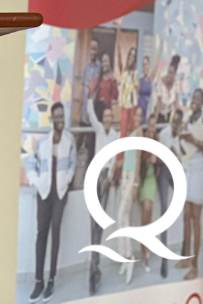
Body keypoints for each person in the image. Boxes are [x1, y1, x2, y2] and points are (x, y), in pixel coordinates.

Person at [26, 102, 75, 302]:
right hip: (44, 193)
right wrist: (37, 182)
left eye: (62, 116)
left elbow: (72, 164)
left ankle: (51, 280)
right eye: (57, 116)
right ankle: (38, 281)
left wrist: (67, 179)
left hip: (59, 194)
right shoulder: (43, 142)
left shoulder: (69, 140)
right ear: (52, 119)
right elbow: (30, 163)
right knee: (41, 234)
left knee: (55, 233)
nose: (60, 119)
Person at [176, 88, 203, 280]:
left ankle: (195, 267)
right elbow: (185, 148)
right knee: (186, 216)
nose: (195, 101)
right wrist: (182, 137)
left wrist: (193, 140)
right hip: (188, 168)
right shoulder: (189, 119)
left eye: (198, 98)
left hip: (199, 171)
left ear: (202, 101)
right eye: (193, 98)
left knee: (196, 219)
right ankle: (186, 258)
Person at [86, 100, 117, 295]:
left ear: (111, 119)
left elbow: (113, 161)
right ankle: (94, 266)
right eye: (104, 116)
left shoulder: (114, 135)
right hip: (95, 175)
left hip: (105, 177)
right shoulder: (98, 130)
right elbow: (90, 113)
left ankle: (94, 266)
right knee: (93, 223)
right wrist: (90, 95)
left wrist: (109, 179)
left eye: (109, 116)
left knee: (100, 223)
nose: (106, 119)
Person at [115, 108, 144, 285]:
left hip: (132, 177)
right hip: (124, 176)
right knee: (123, 219)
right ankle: (125, 258)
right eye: (136, 115)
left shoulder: (139, 133)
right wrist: (116, 165)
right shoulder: (130, 133)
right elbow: (128, 158)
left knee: (121, 216)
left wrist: (135, 184)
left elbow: (138, 160)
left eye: (140, 115)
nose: (138, 118)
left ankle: (129, 256)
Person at [155, 108, 185, 278]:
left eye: (177, 123)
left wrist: (177, 156)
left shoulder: (181, 136)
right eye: (174, 121)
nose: (175, 125)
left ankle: (184, 247)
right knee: (164, 210)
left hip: (175, 172)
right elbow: (158, 158)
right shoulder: (164, 134)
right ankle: (164, 260)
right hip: (164, 173)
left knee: (186, 201)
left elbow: (182, 160)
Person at [138, 124, 160, 272]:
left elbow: (160, 161)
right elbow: (138, 164)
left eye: (153, 132)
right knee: (145, 216)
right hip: (143, 181)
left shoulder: (157, 147)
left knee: (148, 215)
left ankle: (145, 249)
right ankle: (144, 252)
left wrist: (156, 159)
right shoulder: (142, 147)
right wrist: (147, 160)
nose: (151, 134)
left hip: (151, 181)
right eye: (149, 132)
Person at [79, 39, 102, 160]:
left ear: (97, 51)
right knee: (79, 141)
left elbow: (97, 90)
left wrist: (90, 109)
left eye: (95, 49)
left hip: (93, 111)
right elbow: (83, 88)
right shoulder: (86, 67)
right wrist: (81, 108)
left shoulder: (100, 68)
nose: (92, 52)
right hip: (84, 111)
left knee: (90, 144)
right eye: (91, 49)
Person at [150, 54, 181, 126]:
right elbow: (159, 103)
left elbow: (176, 103)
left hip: (168, 114)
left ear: (175, 74)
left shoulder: (176, 84)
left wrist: (181, 116)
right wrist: (155, 119)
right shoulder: (161, 83)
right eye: (168, 72)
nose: (169, 75)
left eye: (171, 73)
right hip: (159, 113)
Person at [118, 46, 139, 139]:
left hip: (132, 105)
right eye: (130, 55)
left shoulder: (135, 73)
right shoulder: (124, 71)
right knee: (123, 130)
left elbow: (137, 89)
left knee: (133, 130)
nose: (131, 57)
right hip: (124, 105)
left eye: (133, 56)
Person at [90, 51, 119, 118]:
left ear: (109, 62)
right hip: (98, 109)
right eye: (102, 62)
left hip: (107, 111)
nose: (104, 64)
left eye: (106, 61)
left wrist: (114, 83)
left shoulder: (112, 79)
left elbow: (115, 96)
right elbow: (91, 92)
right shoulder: (98, 78)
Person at [138, 54, 153, 123]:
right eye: (143, 65)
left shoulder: (151, 79)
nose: (145, 67)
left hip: (147, 111)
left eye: (146, 64)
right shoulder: (139, 81)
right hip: (140, 111)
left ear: (149, 65)